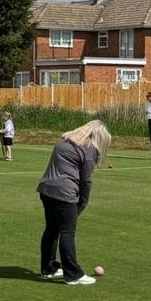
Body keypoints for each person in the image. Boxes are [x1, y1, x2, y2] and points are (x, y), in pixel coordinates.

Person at [37, 119, 111, 284]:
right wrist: (82, 203)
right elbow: (86, 181)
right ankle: (73, 274)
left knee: (51, 230)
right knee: (67, 232)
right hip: (65, 193)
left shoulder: (64, 141)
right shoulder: (89, 148)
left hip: (46, 190)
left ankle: (48, 268)